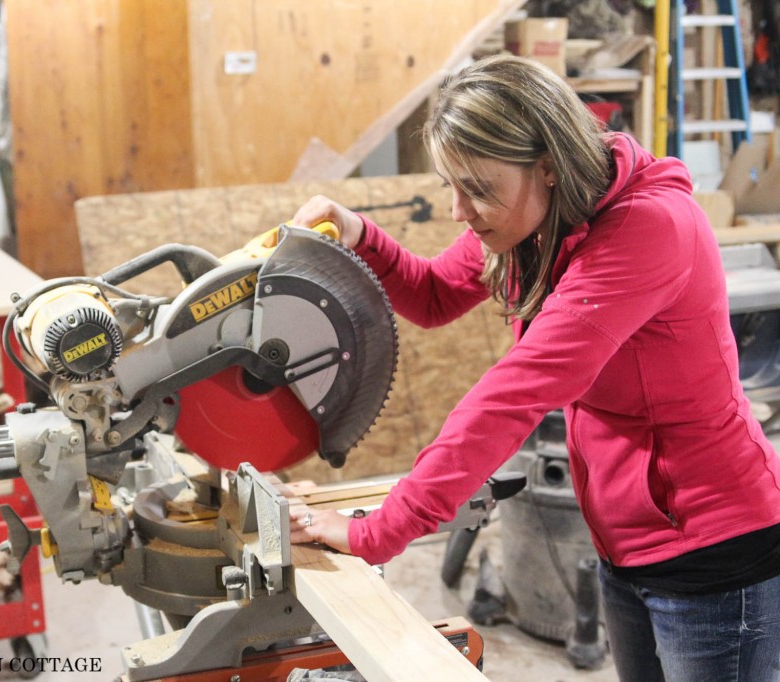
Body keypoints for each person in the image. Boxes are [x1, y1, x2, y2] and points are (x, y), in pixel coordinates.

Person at [288, 54, 780, 682]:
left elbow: (511, 397)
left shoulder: (649, 230)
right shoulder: (537, 216)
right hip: (623, 543)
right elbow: (437, 294)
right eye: (451, 187)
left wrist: (378, 531)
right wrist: (359, 232)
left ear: (548, 166)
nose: (461, 211)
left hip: (712, 549)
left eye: (478, 189)